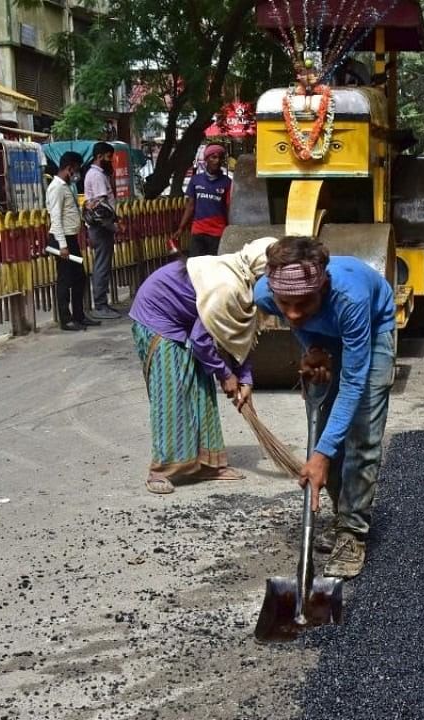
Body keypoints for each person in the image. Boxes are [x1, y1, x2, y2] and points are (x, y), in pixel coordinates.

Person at [254, 237, 397, 578]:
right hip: (326, 331)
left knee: (361, 434)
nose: (292, 313)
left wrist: (320, 456)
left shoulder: (350, 298)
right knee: (323, 433)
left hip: (371, 329)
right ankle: (342, 514)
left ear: (325, 287)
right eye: (284, 303)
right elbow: (296, 321)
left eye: (303, 303)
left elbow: (353, 382)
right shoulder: (264, 294)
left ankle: (353, 532)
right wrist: (313, 347)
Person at [128, 237, 275, 494]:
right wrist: (226, 374)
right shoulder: (227, 287)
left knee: (202, 391)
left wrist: (246, 379)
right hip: (158, 316)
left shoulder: (244, 283)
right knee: (174, 395)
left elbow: (242, 336)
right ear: (261, 271)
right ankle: (160, 470)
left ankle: (209, 465)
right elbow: (201, 339)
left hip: (187, 320)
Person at [46, 152, 98, 332]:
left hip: (71, 238)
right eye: (76, 169)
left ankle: (79, 315)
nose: (77, 173)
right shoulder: (57, 188)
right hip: (62, 240)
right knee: (65, 279)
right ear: (69, 168)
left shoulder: (67, 186)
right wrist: (63, 245)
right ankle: (66, 319)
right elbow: (56, 218)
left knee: (79, 278)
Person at [84, 141, 122, 319]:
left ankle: (102, 303)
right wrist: (114, 226)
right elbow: (101, 208)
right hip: (101, 228)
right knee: (101, 266)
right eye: (108, 157)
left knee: (103, 264)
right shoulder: (97, 176)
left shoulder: (98, 174)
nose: (111, 161)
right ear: (100, 156)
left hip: (101, 227)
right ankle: (100, 305)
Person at [176, 144, 233, 257]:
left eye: (220, 158)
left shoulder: (227, 182)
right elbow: (190, 206)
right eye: (213, 157)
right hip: (198, 230)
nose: (217, 161)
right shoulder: (196, 180)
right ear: (206, 159)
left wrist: (230, 230)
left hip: (218, 232)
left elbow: (229, 208)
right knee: (195, 264)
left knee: (214, 265)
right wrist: (181, 228)